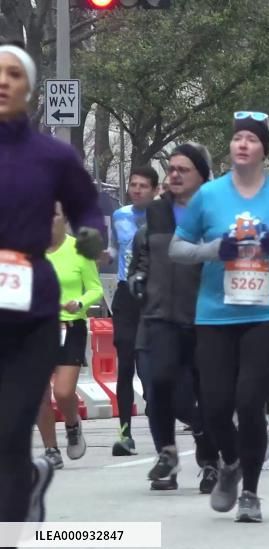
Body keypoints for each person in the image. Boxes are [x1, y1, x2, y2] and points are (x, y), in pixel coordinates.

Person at [169, 111, 269, 521]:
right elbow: (178, 248)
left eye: (251, 139)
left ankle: (250, 492)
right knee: (216, 406)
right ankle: (230, 463)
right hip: (216, 314)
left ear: (263, 150)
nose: (242, 144)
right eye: (237, 137)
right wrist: (211, 250)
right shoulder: (209, 195)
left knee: (249, 400)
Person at [0, 41, 105, 549]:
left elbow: (90, 209)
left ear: (30, 89)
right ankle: (26, 488)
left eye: (13, 74)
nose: (2, 81)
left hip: (32, 314)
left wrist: (90, 235)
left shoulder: (53, 155)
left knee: (10, 432)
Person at [130, 143, 221, 492]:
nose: (175, 175)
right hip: (159, 315)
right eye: (172, 169)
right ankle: (167, 452)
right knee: (160, 383)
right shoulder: (156, 212)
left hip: (204, 317)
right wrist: (138, 278)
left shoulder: (214, 214)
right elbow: (144, 255)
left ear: (202, 175)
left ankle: (210, 462)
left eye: (184, 169)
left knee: (205, 393)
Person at [35, 203, 104, 468]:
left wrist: (80, 302)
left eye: (53, 212)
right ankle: (51, 450)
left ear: (65, 218)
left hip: (70, 326)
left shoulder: (79, 250)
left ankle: (72, 424)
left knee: (63, 393)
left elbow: (95, 289)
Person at [108, 167, 156, 456]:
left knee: (150, 370)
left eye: (143, 186)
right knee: (125, 365)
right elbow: (115, 250)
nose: (136, 190)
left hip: (153, 296)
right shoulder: (119, 216)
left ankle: (157, 408)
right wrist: (105, 255)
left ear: (154, 189)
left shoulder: (165, 217)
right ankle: (124, 434)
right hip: (126, 295)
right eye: (133, 185)